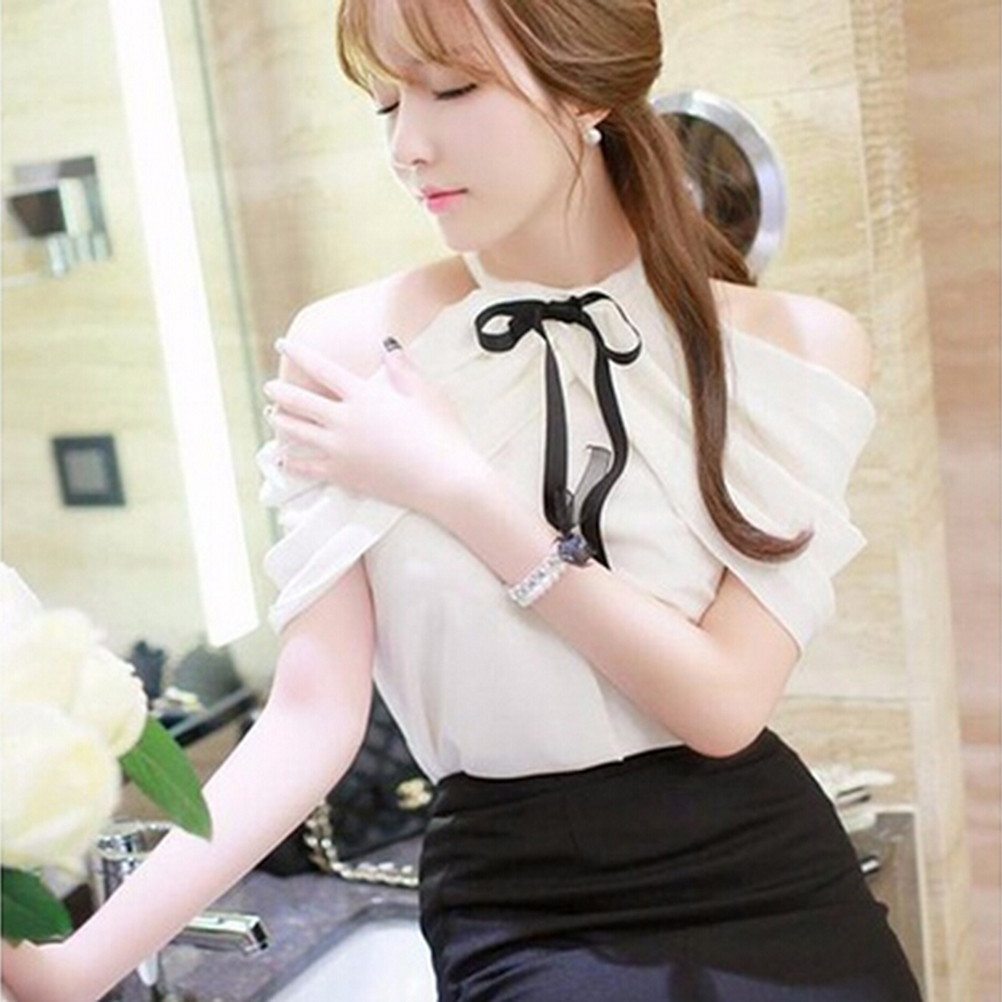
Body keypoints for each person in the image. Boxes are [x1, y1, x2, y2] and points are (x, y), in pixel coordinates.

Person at [2, 1, 924, 1000]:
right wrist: (74, 966)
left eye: (452, 89)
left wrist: (454, 486)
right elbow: (311, 716)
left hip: (773, 885)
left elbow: (723, 706)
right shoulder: (350, 353)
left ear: (586, 91)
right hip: (523, 901)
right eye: (385, 104)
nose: (409, 145)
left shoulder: (798, 349)